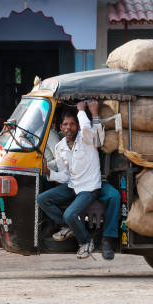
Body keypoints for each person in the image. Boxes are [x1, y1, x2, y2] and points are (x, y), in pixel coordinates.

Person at [37, 101, 120, 260]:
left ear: (78, 126)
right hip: (72, 186)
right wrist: (50, 173)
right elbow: (66, 175)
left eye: (72, 124)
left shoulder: (86, 138)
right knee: (42, 199)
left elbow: (90, 130)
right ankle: (69, 227)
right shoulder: (60, 147)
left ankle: (87, 241)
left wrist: (82, 111)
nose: (69, 128)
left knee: (71, 214)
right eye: (65, 124)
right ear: (61, 127)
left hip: (89, 188)